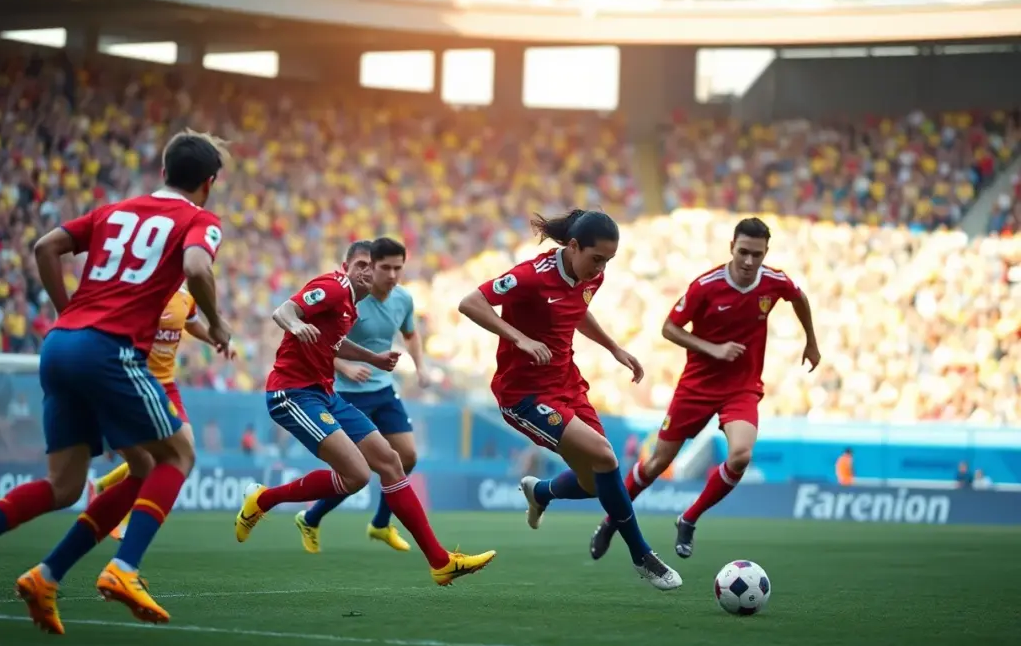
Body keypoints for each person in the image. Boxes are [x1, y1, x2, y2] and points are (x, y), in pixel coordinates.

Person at [1, 130, 231, 634]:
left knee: (68, 486)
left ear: (163, 171)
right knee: (177, 456)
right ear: (208, 183)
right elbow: (196, 265)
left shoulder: (114, 210)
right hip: (109, 350)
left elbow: (46, 246)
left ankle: (46, 575)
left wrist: (69, 316)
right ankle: (124, 568)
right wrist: (215, 322)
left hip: (60, 345)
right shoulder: (198, 218)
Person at [458, 209, 681, 591]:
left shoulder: (591, 275)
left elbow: (575, 310)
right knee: (606, 457)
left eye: (607, 261)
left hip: (567, 384)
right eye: (596, 259)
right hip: (524, 395)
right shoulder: (530, 276)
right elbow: (470, 302)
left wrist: (614, 347)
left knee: (595, 483)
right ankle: (642, 556)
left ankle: (541, 491)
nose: (600, 269)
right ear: (573, 246)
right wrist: (520, 339)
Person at [234, 259, 495, 586]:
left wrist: (372, 358)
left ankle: (441, 563)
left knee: (390, 462)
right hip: (293, 393)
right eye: (362, 264)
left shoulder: (350, 307)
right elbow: (284, 311)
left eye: (376, 266)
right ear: (348, 266)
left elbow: (335, 343)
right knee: (357, 474)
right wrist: (296, 325)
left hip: (325, 394)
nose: (369, 271)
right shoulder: (333, 287)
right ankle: (264, 500)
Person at [589, 217, 820, 562]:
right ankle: (610, 522)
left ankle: (689, 518)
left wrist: (811, 342)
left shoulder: (775, 281)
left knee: (741, 455)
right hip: (697, 386)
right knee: (655, 465)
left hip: (741, 387)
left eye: (756, 254)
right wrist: (712, 348)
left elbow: (799, 298)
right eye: (743, 252)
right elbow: (669, 328)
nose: (748, 261)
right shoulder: (706, 286)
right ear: (731, 248)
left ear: (765, 253)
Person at [294, 237, 429, 554]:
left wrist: (421, 367)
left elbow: (411, 333)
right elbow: (321, 341)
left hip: (382, 389)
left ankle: (380, 524)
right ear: (373, 265)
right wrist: (343, 366)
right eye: (386, 267)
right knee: (359, 471)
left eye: (398, 268)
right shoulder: (351, 299)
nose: (393, 275)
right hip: (345, 393)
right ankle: (311, 517)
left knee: (407, 456)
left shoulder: (404, 299)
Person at [89, 285, 238, 541]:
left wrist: (217, 340)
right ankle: (120, 516)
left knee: (185, 449)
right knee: (154, 457)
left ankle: (103, 485)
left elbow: (190, 323)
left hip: (167, 385)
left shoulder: (186, 297)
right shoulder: (144, 291)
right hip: (138, 381)